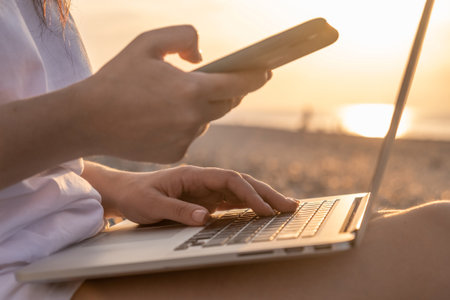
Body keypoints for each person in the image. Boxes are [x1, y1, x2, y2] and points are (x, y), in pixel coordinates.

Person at [1, 1, 449, 299]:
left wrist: (117, 186)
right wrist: (90, 118)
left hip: (67, 254)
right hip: (26, 280)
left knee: (366, 225)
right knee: (439, 237)